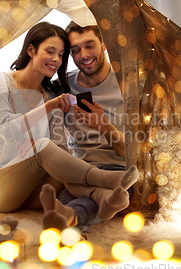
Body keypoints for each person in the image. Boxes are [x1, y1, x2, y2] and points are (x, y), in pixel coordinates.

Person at [0, 22, 138, 222]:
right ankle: (106, 180)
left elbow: (60, 148)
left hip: (31, 191)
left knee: (64, 167)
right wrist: (47, 109)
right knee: (44, 147)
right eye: (50, 51)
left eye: (61, 55)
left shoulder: (50, 94)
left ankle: (101, 196)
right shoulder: (1, 82)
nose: (56, 59)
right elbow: (6, 130)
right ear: (31, 50)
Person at [39, 21, 138, 230]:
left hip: (118, 171)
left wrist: (103, 126)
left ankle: (72, 218)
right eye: (75, 50)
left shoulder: (128, 85)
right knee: (69, 192)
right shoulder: (63, 85)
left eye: (89, 45)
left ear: (103, 44)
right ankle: (76, 221)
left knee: (78, 197)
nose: (83, 54)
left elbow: (135, 155)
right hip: (78, 169)